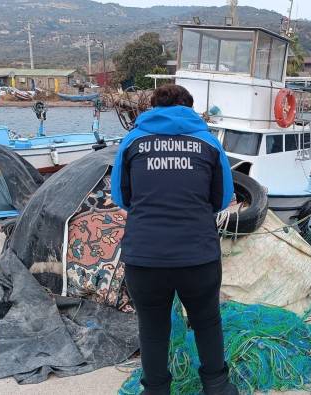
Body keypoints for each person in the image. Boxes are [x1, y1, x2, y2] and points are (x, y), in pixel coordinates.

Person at [110, 84, 237, 395]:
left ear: (153, 107)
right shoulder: (208, 142)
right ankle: (217, 387)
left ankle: (155, 390)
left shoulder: (133, 141)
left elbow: (121, 196)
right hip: (198, 255)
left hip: (144, 256)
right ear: (189, 108)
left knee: (152, 328)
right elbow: (222, 198)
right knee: (206, 321)